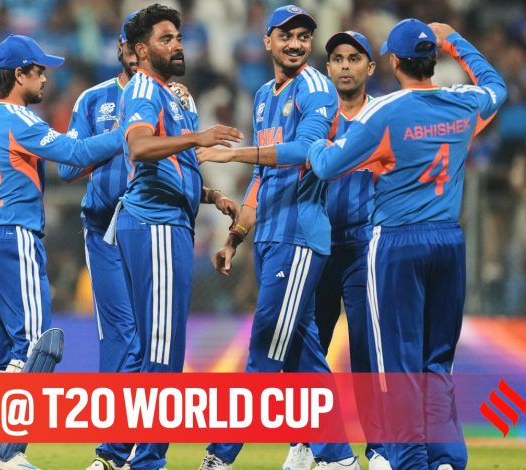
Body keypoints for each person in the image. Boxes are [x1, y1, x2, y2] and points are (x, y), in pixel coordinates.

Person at [307, 20, 506, 470]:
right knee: (438, 362)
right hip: (449, 240)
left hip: (397, 243)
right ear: (431, 59)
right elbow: (496, 86)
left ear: (394, 62)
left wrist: (314, 138)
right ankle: (446, 459)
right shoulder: (465, 103)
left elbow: (328, 165)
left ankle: (411, 462)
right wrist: (455, 40)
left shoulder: (386, 112)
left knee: (397, 364)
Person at [194, 6, 359, 470]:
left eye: (304, 36)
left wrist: (233, 154)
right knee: (303, 352)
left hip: (299, 236)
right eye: (286, 35)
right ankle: (338, 458)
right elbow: (262, 178)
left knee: (266, 346)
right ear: (267, 41)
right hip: (269, 237)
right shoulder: (265, 95)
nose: (296, 43)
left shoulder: (316, 88)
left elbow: (304, 151)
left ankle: (220, 455)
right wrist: (236, 236)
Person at [0, 34, 126, 470]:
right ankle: (8, 450)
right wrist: (128, 134)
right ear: (19, 75)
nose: (44, 79)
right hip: (14, 237)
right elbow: (73, 153)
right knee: (39, 344)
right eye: (39, 72)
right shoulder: (19, 119)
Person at [115, 4, 242, 470]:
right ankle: (147, 460)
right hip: (156, 226)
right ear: (141, 49)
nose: (177, 45)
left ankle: (129, 452)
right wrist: (198, 138)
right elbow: (139, 147)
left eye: (178, 37)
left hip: (164, 223)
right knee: (163, 349)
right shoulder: (144, 89)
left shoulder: (172, 95)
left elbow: (169, 166)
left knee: (154, 348)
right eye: (165, 38)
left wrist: (211, 195)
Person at [58, 11, 143, 470]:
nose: (137, 52)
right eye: (131, 43)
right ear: (121, 47)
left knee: (149, 338)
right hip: (104, 230)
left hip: (153, 232)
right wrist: (121, 136)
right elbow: (67, 166)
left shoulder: (174, 97)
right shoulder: (94, 99)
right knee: (119, 335)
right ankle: (114, 449)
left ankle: (139, 447)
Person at [318, 31, 391, 470]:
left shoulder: (384, 117)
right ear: (328, 68)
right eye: (338, 58)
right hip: (319, 247)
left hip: (365, 247)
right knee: (310, 349)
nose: (345, 65)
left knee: (367, 350)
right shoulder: (316, 117)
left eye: (354, 58)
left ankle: (378, 448)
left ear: (370, 67)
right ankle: (308, 443)